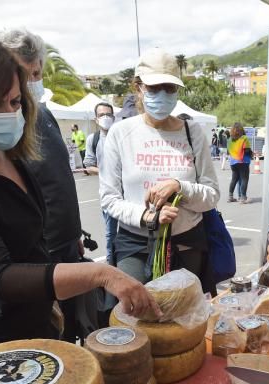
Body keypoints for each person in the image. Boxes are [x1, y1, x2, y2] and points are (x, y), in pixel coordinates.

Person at [0, 30, 157, 358]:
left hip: (42, 319)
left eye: (14, 101)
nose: (12, 114)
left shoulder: (7, 152)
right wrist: (101, 272)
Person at [100, 48, 220, 295]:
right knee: (133, 317)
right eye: (154, 88)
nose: (163, 95)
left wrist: (180, 186)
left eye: (170, 88)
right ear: (138, 88)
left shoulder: (192, 131)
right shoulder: (121, 133)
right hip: (135, 245)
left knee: (184, 322)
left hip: (187, 245)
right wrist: (148, 216)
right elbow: (109, 199)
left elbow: (212, 195)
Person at [0, 28, 92, 342]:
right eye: (21, 73)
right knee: (50, 336)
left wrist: (73, 233)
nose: (30, 81)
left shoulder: (43, 113)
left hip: (64, 245)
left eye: (35, 73)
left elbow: (58, 180)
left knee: (71, 328)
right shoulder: (5, 123)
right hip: (36, 254)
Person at [84, 101, 118, 266]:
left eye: (108, 114)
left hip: (128, 194)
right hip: (108, 194)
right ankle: (112, 265)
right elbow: (88, 165)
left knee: (132, 232)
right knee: (111, 233)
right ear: (96, 119)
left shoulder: (121, 136)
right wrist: (105, 171)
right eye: (101, 115)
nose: (105, 117)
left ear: (114, 117)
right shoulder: (93, 139)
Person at [227, 122, 251, 203]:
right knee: (244, 179)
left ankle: (230, 197)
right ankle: (243, 197)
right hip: (243, 162)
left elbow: (228, 152)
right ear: (241, 130)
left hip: (233, 162)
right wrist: (251, 153)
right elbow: (247, 150)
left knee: (234, 179)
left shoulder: (229, 139)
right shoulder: (244, 138)